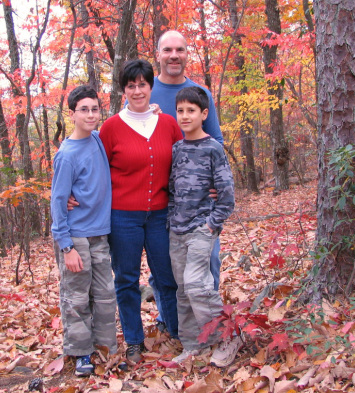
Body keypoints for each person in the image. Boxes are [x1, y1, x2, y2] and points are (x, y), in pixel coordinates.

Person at [99, 59, 183, 363]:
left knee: (167, 277)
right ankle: (134, 340)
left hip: (161, 214)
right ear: (124, 90)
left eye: (142, 85)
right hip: (122, 217)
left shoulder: (168, 123)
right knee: (126, 280)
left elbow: (186, 163)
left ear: (151, 86)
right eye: (131, 85)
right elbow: (95, 171)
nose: (137, 90)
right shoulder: (110, 128)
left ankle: (175, 332)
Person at [148, 30, 223, 333]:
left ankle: (214, 330)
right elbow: (120, 140)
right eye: (168, 50)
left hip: (200, 201)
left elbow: (216, 138)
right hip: (160, 198)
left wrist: (217, 182)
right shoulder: (145, 92)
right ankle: (176, 327)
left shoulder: (199, 93)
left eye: (180, 49)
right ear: (158, 54)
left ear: (187, 53)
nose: (174, 55)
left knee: (207, 262)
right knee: (167, 268)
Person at [168, 86, 242, 367]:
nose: (185, 116)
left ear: (204, 114)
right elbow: (173, 190)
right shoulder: (177, 148)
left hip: (202, 228)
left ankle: (228, 336)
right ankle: (192, 344)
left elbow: (227, 196)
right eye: (181, 111)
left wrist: (212, 224)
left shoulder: (213, 148)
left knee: (198, 285)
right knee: (183, 289)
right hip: (176, 229)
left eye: (191, 111)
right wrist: (171, 222)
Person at [51, 85, 117, 377]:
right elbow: (57, 200)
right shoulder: (67, 154)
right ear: (72, 114)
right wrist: (66, 247)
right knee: (77, 297)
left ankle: (105, 347)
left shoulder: (97, 141)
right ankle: (80, 352)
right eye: (84, 109)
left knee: (104, 294)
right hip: (75, 237)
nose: (90, 115)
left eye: (94, 108)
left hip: (99, 233)